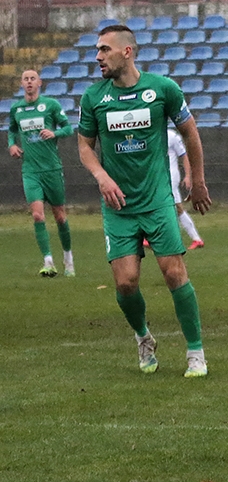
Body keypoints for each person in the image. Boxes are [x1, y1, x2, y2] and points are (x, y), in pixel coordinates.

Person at [77, 24, 211, 378]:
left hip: (157, 201)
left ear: (127, 52)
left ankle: (195, 352)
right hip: (118, 208)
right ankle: (143, 336)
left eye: (105, 49)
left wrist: (197, 181)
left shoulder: (162, 89)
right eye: (97, 50)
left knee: (174, 272)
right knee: (126, 283)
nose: (98, 57)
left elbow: (190, 133)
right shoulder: (94, 97)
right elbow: (84, 147)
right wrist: (102, 176)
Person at [8, 69, 76, 277]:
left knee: (60, 217)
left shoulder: (51, 105)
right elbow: (11, 130)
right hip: (30, 170)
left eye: (32, 79)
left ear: (40, 83)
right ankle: (48, 261)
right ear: (21, 83)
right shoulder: (17, 109)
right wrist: (11, 144)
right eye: (25, 79)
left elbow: (68, 128)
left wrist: (54, 133)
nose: (29, 82)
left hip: (52, 169)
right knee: (38, 215)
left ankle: (68, 259)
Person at [167, 128, 205, 250]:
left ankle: (196, 239)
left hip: (170, 177)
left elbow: (184, 156)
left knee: (177, 208)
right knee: (171, 208)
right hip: (158, 177)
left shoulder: (171, 135)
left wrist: (188, 176)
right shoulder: (152, 135)